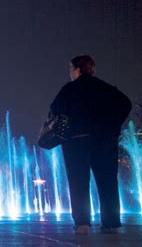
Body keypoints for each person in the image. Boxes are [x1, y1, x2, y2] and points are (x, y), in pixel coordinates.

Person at [50, 55, 131, 235]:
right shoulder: (106, 88)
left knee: (78, 182)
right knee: (108, 182)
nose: (70, 73)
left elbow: (55, 110)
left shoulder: (70, 89)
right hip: (105, 141)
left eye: (71, 69)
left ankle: (82, 224)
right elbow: (126, 103)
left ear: (77, 70)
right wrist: (113, 126)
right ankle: (111, 223)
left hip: (76, 142)